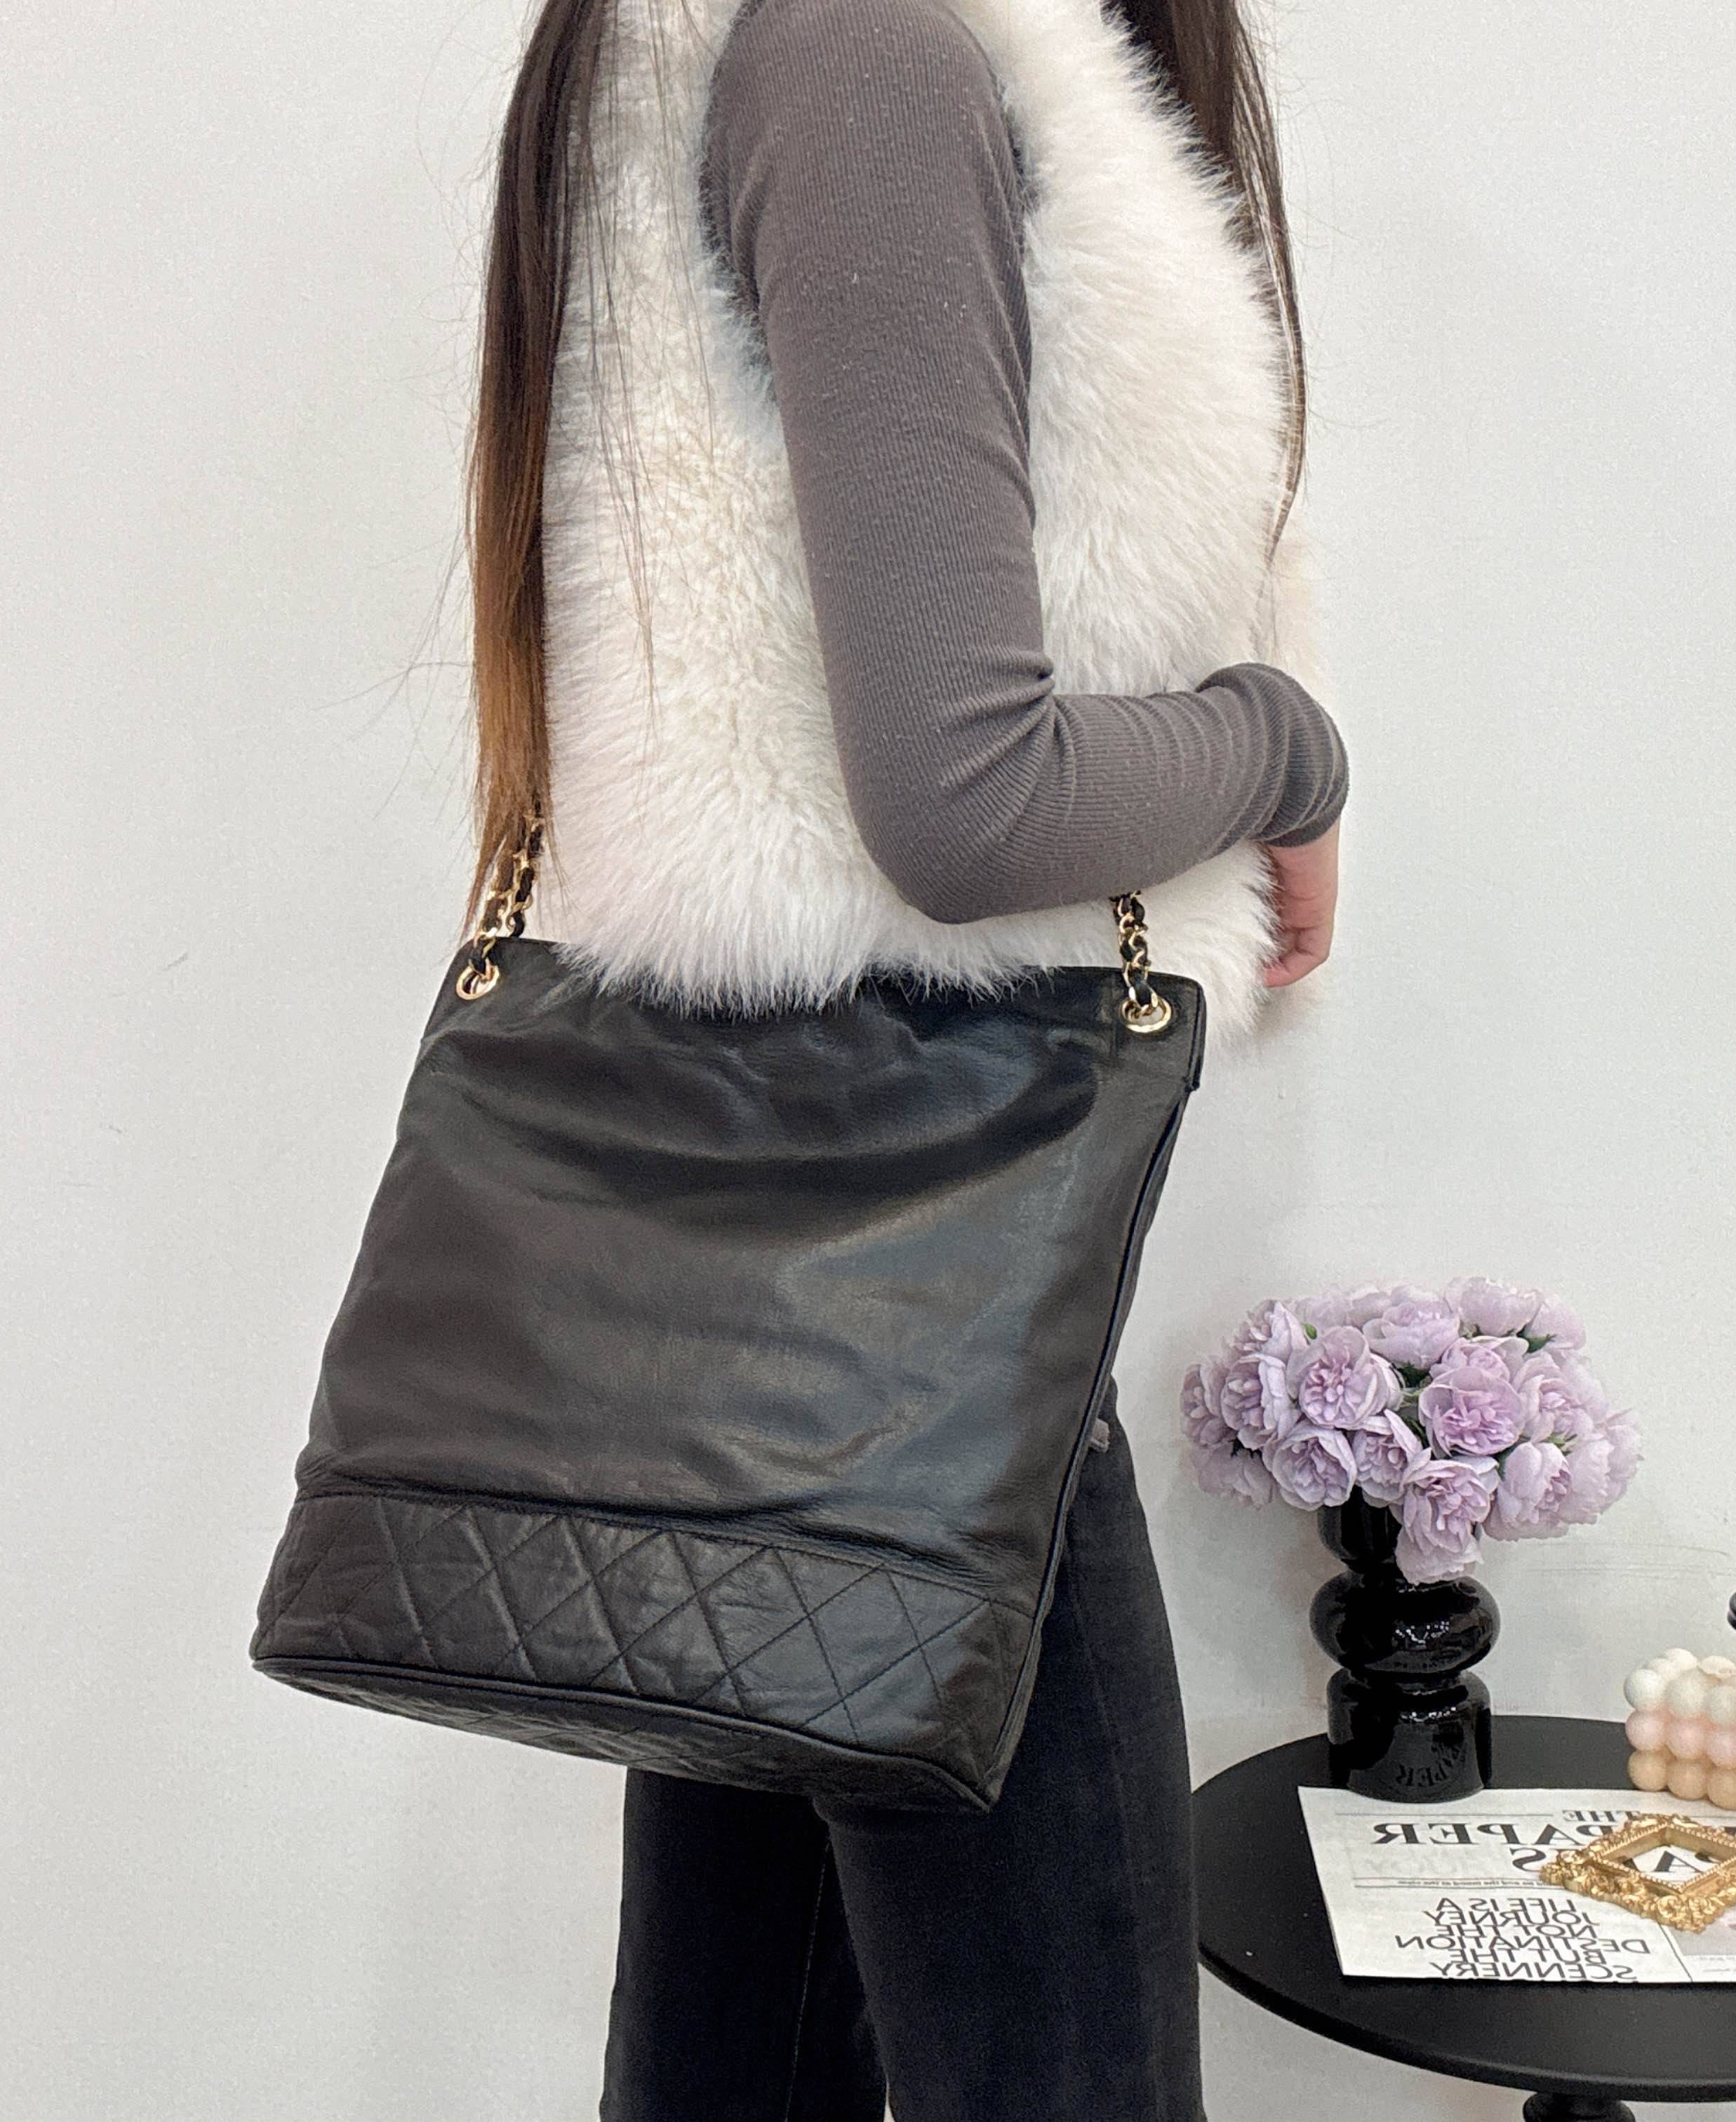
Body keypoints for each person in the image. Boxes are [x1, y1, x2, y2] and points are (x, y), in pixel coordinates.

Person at [459, 1, 1351, 2114]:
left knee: (737, 2058)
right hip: (939, 1304)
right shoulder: (872, 54)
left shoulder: (767, 48)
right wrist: (1286, 747)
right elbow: (966, 807)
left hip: (776, 1285)